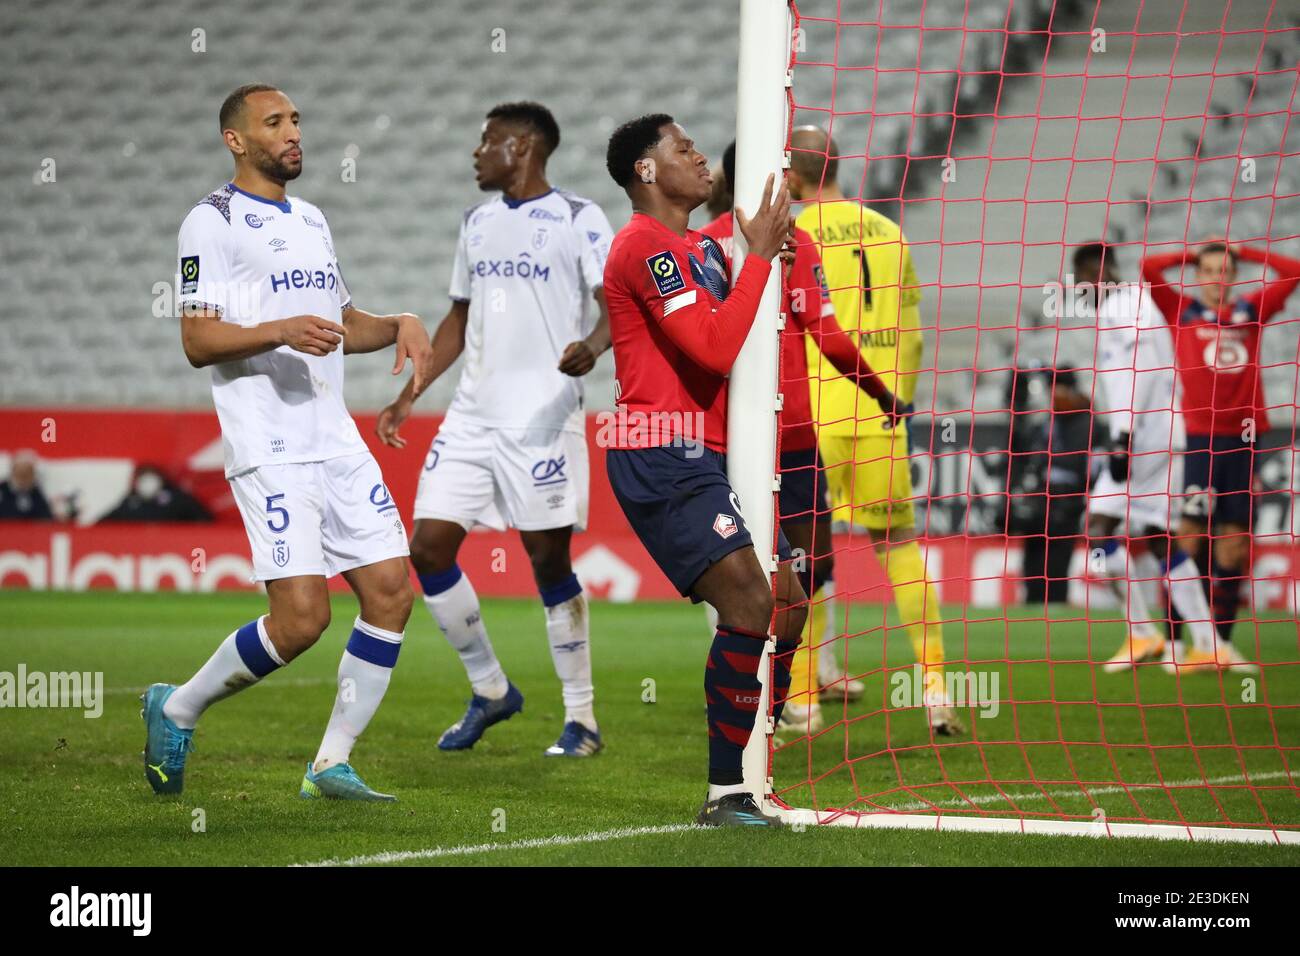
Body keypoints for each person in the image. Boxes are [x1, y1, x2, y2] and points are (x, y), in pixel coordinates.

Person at [144, 84, 432, 801]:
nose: (292, 133)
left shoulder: (310, 217)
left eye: (296, 120)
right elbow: (196, 339)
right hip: (269, 444)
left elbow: (340, 321)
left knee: (392, 591)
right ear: (235, 141)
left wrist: (398, 321)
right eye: (274, 123)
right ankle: (176, 707)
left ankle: (330, 764)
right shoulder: (208, 224)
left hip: (332, 438)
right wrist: (279, 329)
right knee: (302, 620)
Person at [376, 102, 614, 757]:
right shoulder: (476, 224)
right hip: (473, 418)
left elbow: (616, 303)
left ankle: (582, 719)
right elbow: (458, 319)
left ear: (524, 146)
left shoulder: (578, 217)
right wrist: (409, 396)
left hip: (542, 420)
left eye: (488, 142)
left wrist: (593, 346)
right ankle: (490, 689)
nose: (477, 154)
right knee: (426, 550)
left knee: (547, 564)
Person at [602, 113, 805, 827]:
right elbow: (713, 351)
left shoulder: (692, 250)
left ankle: (756, 743)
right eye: (680, 146)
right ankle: (727, 793)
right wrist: (755, 259)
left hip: (713, 452)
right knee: (752, 603)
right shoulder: (646, 248)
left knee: (790, 597)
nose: (697, 153)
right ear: (647, 172)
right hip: (661, 449)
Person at [700, 140, 903, 734]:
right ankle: (770, 688)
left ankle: (781, 684)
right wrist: (882, 391)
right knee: (787, 565)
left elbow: (829, 336)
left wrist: (874, 390)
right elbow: (831, 337)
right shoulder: (713, 244)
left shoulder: (741, 242)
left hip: (769, 437)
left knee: (788, 566)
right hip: (756, 437)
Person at [786, 125, 961, 734]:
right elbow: (912, 335)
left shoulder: (789, 233)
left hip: (808, 417)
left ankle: (803, 698)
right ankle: (938, 688)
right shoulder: (890, 231)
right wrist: (899, 404)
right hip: (879, 411)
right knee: (900, 549)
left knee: (800, 553)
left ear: (791, 175)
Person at [1071, 243, 1252, 674]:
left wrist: (1122, 436)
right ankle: (1209, 643)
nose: (1078, 289)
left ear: (1097, 271)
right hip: (1164, 432)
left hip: (1143, 438)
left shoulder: (1120, 305)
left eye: (1080, 278)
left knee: (1098, 527)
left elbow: (1140, 371)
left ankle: (1143, 633)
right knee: (1159, 536)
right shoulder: (1136, 301)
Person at [1140, 241, 1300, 646]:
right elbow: (1147, 268)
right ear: (1198, 276)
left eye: (1224, 270)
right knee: (1189, 540)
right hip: (1198, 440)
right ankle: (1176, 642)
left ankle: (1222, 645)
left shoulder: (1251, 310)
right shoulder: (1182, 311)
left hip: (1245, 440)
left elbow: (1294, 270)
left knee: (1234, 546)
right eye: (1208, 270)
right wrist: (1188, 255)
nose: (1216, 278)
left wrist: (1244, 251)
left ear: (1233, 276)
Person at [101, 465, 211, 522]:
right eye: (144, 478)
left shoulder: (177, 499)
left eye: (151, 477)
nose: (148, 483)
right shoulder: (130, 501)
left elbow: (203, 519)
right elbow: (106, 523)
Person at [0, 452, 54, 520]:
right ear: (13, 471)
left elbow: (46, 517)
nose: (23, 476)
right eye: (20, 471)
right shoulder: (3, 490)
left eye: (27, 472)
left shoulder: (36, 493)